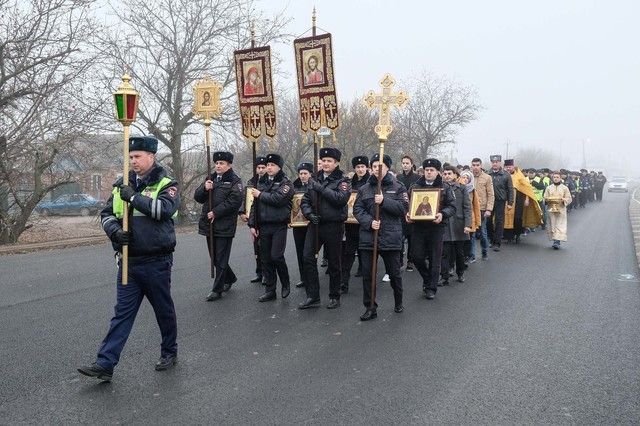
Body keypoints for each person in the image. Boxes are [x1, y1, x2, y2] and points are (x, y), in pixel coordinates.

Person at [78, 136, 180, 381]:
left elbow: (163, 211)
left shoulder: (167, 184)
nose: (133, 161)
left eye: (138, 156)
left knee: (163, 311)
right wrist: (115, 232)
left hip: (156, 261)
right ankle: (105, 363)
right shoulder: (121, 184)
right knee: (122, 314)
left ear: (151, 157)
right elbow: (106, 215)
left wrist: (133, 197)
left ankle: (169, 351)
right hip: (128, 261)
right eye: (131, 157)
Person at [354, 154, 408, 321]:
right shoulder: (364, 189)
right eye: (375, 166)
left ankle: (398, 300)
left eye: (381, 166)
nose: (377, 169)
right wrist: (369, 222)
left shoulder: (398, 187)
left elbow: (403, 208)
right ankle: (370, 307)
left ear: (387, 168)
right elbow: (357, 210)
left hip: (390, 237)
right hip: (369, 237)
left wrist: (384, 201)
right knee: (368, 275)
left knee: (394, 273)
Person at [299, 147, 351, 310]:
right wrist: (308, 214)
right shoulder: (314, 179)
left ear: (336, 163)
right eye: (323, 161)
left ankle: (334, 295)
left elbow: (340, 199)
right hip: (315, 225)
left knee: (334, 262)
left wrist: (320, 188)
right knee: (307, 258)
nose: (326, 164)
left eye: (329, 161)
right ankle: (313, 296)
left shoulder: (343, 181)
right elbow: (305, 200)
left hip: (333, 225)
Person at [194, 151, 243, 302]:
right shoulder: (211, 179)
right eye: (216, 163)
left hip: (225, 225)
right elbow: (198, 197)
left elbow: (234, 201)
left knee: (220, 258)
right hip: (209, 225)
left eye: (221, 163)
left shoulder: (235, 181)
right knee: (214, 258)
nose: (218, 166)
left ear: (229, 165)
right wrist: (204, 188)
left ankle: (217, 289)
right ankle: (230, 278)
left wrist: (216, 212)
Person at [407, 158, 456, 300]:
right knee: (416, 257)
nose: (428, 173)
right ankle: (428, 278)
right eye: (426, 170)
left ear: (437, 172)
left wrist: (443, 214)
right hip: (418, 227)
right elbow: (407, 203)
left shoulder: (445, 187)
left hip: (436, 227)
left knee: (435, 258)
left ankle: (431, 288)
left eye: (431, 170)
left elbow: (452, 206)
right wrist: (408, 213)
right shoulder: (415, 186)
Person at [248, 153, 294, 302]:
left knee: (276, 256)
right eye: (267, 165)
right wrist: (252, 224)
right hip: (263, 225)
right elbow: (255, 206)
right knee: (266, 259)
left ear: (279, 167)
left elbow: (278, 199)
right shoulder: (260, 182)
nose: (269, 168)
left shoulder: (286, 183)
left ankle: (285, 283)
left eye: (272, 165)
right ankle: (270, 290)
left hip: (279, 225)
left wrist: (260, 194)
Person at [341, 155, 369, 294]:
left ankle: (366, 281)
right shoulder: (350, 182)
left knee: (364, 252)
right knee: (348, 253)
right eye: (357, 167)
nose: (360, 169)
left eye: (362, 167)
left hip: (364, 223)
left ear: (366, 167)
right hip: (350, 223)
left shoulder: (371, 182)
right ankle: (344, 282)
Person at [441, 166, 472, 285]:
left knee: (459, 252)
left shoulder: (462, 188)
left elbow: (467, 207)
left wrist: (467, 224)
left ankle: (460, 272)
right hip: (445, 223)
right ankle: (444, 277)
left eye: (449, 173)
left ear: (455, 175)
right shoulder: (440, 188)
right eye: (445, 173)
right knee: (444, 252)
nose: (447, 175)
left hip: (459, 224)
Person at [239, 156, 268, 284]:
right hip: (253, 218)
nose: (261, 170)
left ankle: (268, 273)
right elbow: (244, 199)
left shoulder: (269, 182)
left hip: (265, 218)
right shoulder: (251, 182)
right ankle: (259, 272)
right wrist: (241, 212)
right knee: (256, 246)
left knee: (265, 248)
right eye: (259, 168)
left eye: (263, 167)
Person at [503, 160, 543, 243]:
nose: (508, 169)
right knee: (507, 218)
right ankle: (508, 236)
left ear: (513, 166)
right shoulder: (503, 175)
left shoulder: (519, 176)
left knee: (517, 218)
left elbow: (527, 189)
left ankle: (517, 235)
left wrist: (527, 199)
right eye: (506, 167)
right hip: (506, 199)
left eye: (509, 167)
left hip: (518, 200)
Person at [397, 155, 420, 271]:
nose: (405, 165)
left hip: (412, 210)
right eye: (403, 163)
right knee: (400, 237)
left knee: (411, 238)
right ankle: (400, 260)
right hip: (400, 210)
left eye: (407, 163)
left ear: (411, 164)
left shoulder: (417, 178)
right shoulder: (398, 177)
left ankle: (410, 261)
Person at [292, 162, 313, 288]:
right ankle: (303, 277)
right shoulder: (294, 187)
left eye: (305, 173)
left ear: (310, 174)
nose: (303, 176)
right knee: (300, 251)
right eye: (301, 173)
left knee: (309, 253)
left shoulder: (314, 186)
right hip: (297, 224)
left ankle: (311, 277)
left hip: (311, 223)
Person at [487, 155, 514, 251]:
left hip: (500, 201)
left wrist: (510, 202)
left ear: (500, 163)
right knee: (488, 221)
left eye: (497, 162)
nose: (495, 164)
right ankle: (491, 239)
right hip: (489, 201)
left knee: (499, 221)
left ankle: (497, 243)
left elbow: (510, 189)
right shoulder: (487, 174)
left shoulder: (506, 175)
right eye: (493, 162)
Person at [470, 158, 494, 260]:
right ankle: (472, 255)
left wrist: (489, 209)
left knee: (483, 232)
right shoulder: (468, 177)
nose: (475, 167)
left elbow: (491, 194)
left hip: (482, 209)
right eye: (473, 165)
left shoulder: (487, 177)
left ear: (481, 165)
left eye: (477, 165)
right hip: (470, 209)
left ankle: (484, 252)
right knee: (472, 233)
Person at [544, 171, 572, 249]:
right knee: (552, 225)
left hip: (561, 209)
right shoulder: (548, 188)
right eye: (554, 177)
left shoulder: (564, 188)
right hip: (551, 209)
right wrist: (547, 200)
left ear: (560, 178)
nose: (556, 179)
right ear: (552, 178)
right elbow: (545, 197)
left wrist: (563, 200)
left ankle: (557, 241)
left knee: (559, 225)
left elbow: (569, 198)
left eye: (557, 177)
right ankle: (554, 239)